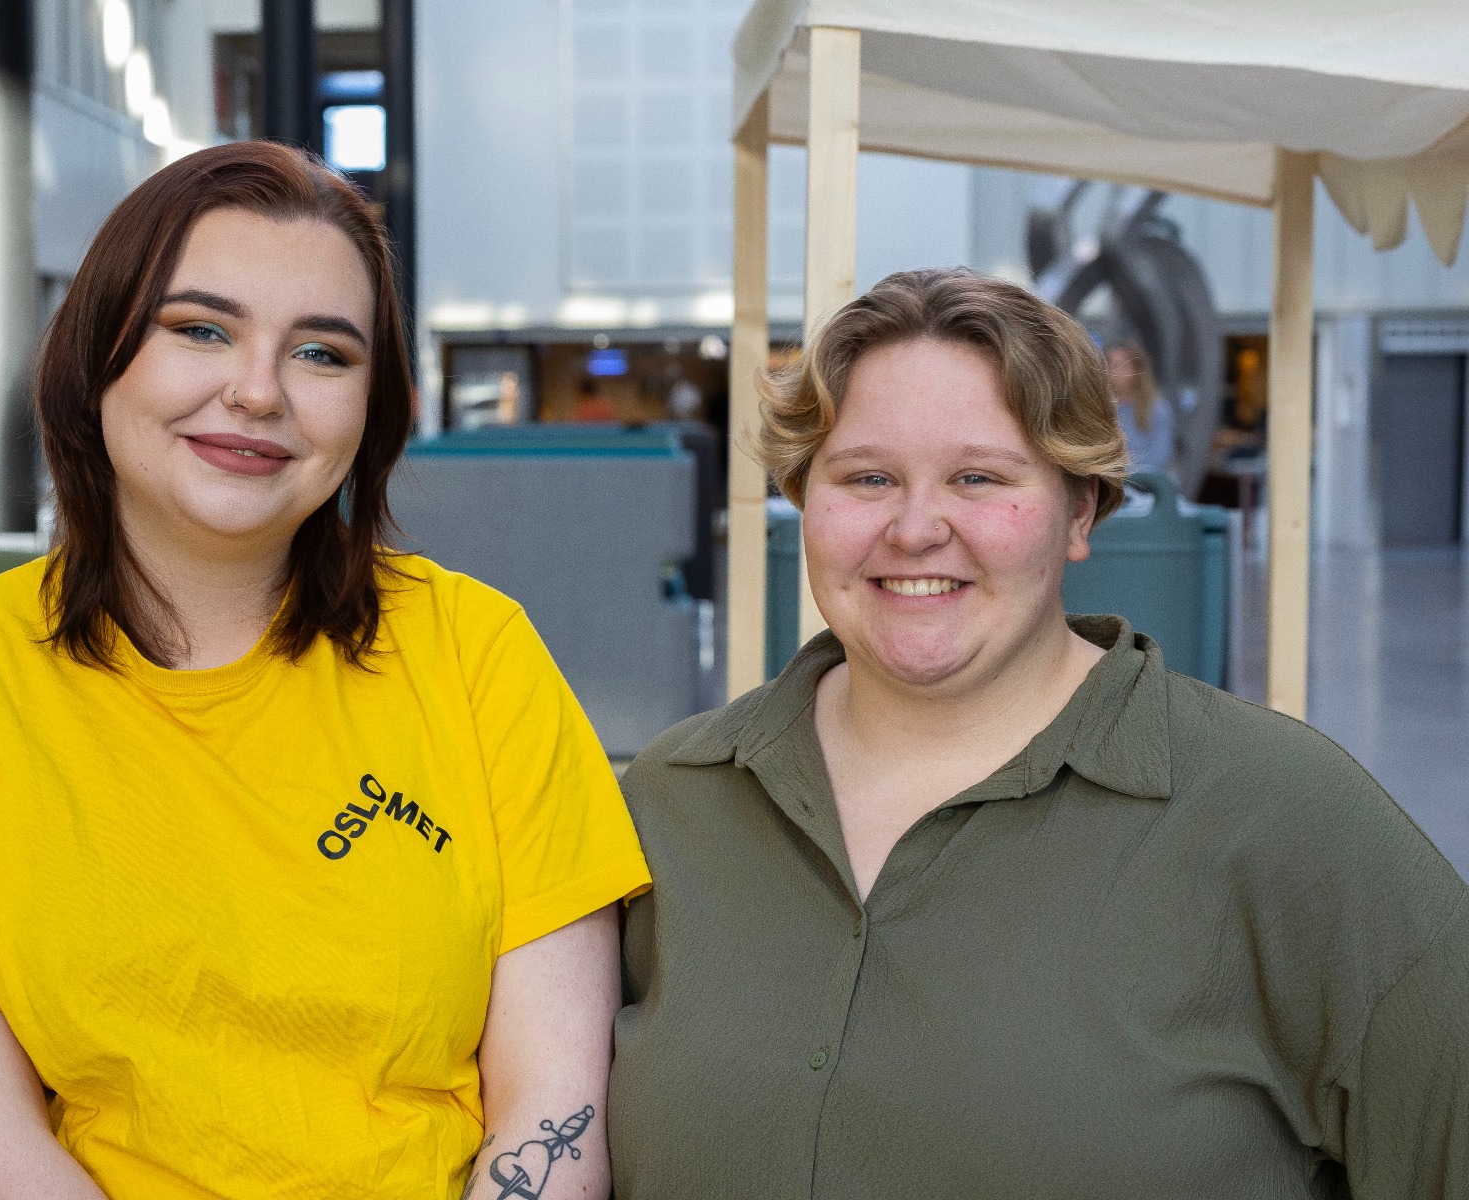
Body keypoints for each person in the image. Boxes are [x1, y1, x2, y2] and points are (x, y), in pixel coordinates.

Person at [0, 141, 651, 1199]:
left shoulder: (480, 656)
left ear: (371, 410)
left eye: (323, 354)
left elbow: (557, 1117)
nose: (258, 392)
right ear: (97, 356)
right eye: (201, 329)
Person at [610, 268, 1469, 1198]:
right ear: (802, 500)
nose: (914, 528)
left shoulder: (1287, 821)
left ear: (1080, 509)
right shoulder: (670, 803)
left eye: (979, 477)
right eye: (867, 477)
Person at [1108, 341, 1175, 476]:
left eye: (1119, 366)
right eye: (1109, 366)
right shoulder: (1102, 406)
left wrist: (1121, 470)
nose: (1113, 373)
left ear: (1136, 370)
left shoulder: (1158, 409)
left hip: (1142, 485)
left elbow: (1160, 457)